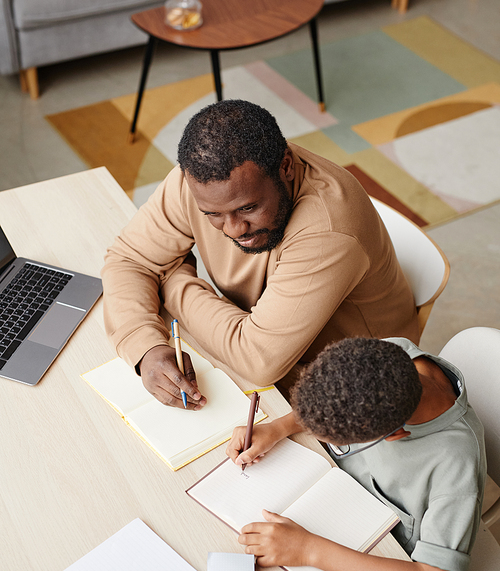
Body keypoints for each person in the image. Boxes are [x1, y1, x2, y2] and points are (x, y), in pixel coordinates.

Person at [102, 100, 419, 409]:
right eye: (213, 214)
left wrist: (173, 281)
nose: (234, 229)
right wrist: (146, 346)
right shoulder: (200, 180)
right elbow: (128, 259)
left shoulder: (328, 232)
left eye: (248, 208)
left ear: (286, 167)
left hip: (354, 389)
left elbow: (257, 360)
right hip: (259, 345)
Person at [227, 337, 486, 571]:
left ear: (395, 435)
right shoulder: (386, 356)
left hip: (380, 554)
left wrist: (308, 550)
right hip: (341, 500)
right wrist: (280, 427)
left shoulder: (456, 465)